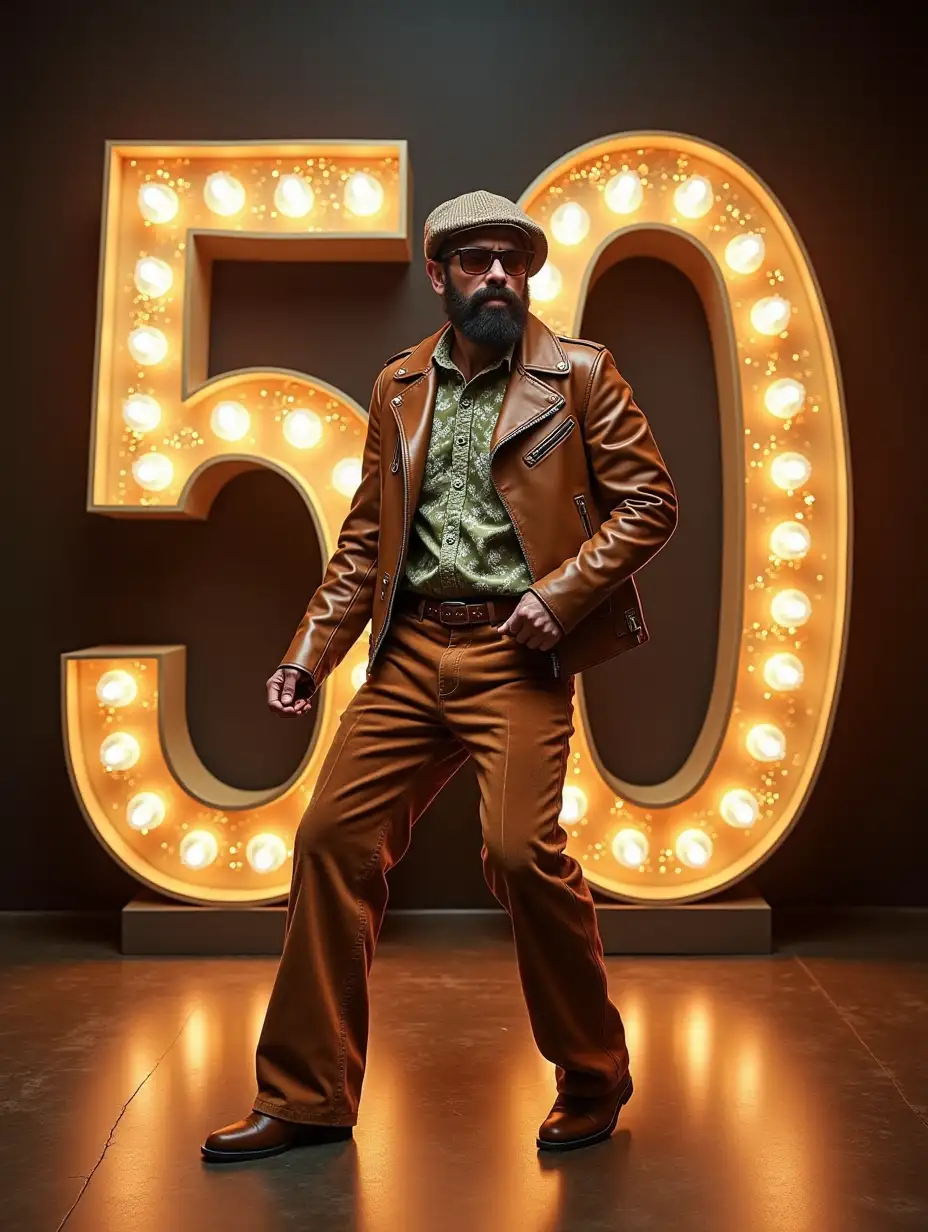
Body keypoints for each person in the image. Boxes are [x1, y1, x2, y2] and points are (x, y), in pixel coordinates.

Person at [202, 189, 677, 1162]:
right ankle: (306, 1093)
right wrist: (309, 651)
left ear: (528, 272)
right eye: (475, 259)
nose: (497, 273)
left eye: (512, 258)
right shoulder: (398, 387)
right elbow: (368, 539)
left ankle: (593, 1071)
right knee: (330, 838)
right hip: (412, 648)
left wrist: (562, 592)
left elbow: (649, 502)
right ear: (440, 273)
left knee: (515, 854)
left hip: (520, 648)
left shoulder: (580, 375)